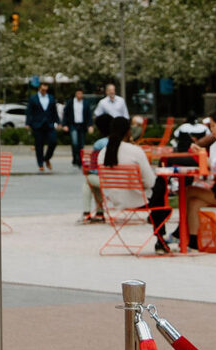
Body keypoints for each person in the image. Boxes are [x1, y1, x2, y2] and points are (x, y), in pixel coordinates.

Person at [95, 120, 172, 248]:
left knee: (158, 191)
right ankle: (160, 237)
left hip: (115, 199)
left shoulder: (103, 153)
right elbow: (150, 182)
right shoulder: (135, 151)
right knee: (160, 183)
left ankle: (158, 222)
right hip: (137, 200)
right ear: (128, 131)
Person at [25, 80, 60, 173]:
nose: (44, 90)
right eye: (43, 89)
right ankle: (40, 164)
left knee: (53, 141)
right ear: (40, 88)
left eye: (46, 89)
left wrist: (58, 122)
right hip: (37, 124)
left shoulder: (51, 98)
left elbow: (54, 112)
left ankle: (46, 158)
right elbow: (29, 112)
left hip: (49, 124)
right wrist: (28, 123)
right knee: (39, 145)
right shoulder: (33, 98)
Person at [65, 88, 95, 168]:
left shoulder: (85, 103)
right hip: (73, 124)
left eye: (80, 94)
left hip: (82, 125)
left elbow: (89, 115)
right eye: (78, 93)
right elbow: (66, 114)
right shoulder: (71, 102)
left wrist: (90, 125)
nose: (79, 95)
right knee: (75, 142)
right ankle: (75, 157)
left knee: (81, 144)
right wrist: (65, 124)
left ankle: (80, 159)